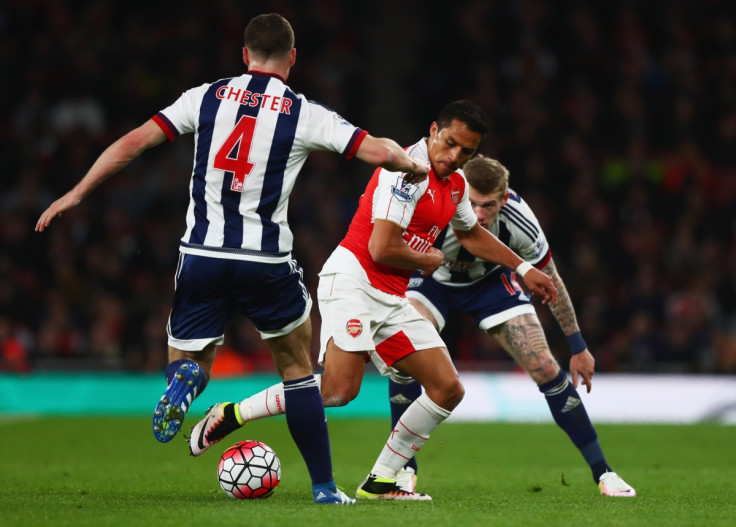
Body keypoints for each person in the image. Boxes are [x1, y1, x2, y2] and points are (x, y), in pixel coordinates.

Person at [35, 12, 431, 506]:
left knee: (187, 359)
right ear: (292, 58)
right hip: (266, 259)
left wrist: (75, 193)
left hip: (201, 252)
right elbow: (375, 150)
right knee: (297, 370)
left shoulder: (203, 96)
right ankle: (325, 488)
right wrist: (411, 164)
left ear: (244, 55)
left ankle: (187, 381)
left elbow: (135, 141)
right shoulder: (304, 112)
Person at [185, 100, 558, 501]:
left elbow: (469, 234)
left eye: (466, 152)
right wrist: (427, 258)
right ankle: (231, 413)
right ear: (434, 130)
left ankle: (381, 479)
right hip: (354, 282)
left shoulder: (456, 184)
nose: (455, 157)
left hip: (392, 296)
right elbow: (381, 248)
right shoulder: (405, 172)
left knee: (447, 387)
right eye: (450, 143)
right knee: (338, 392)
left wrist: (523, 269)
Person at [385, 154, 634, 497]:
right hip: (432, 282)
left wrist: (578, 346)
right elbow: (387, 244)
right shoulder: (432, 202)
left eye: (488, 205)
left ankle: (605, 473)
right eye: (472, 204)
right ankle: (402, 470)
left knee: (546, 367)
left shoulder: (521, 223)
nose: (480, 214)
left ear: (504, 199)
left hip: (490, 285)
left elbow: (552, 281)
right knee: (404, 357)